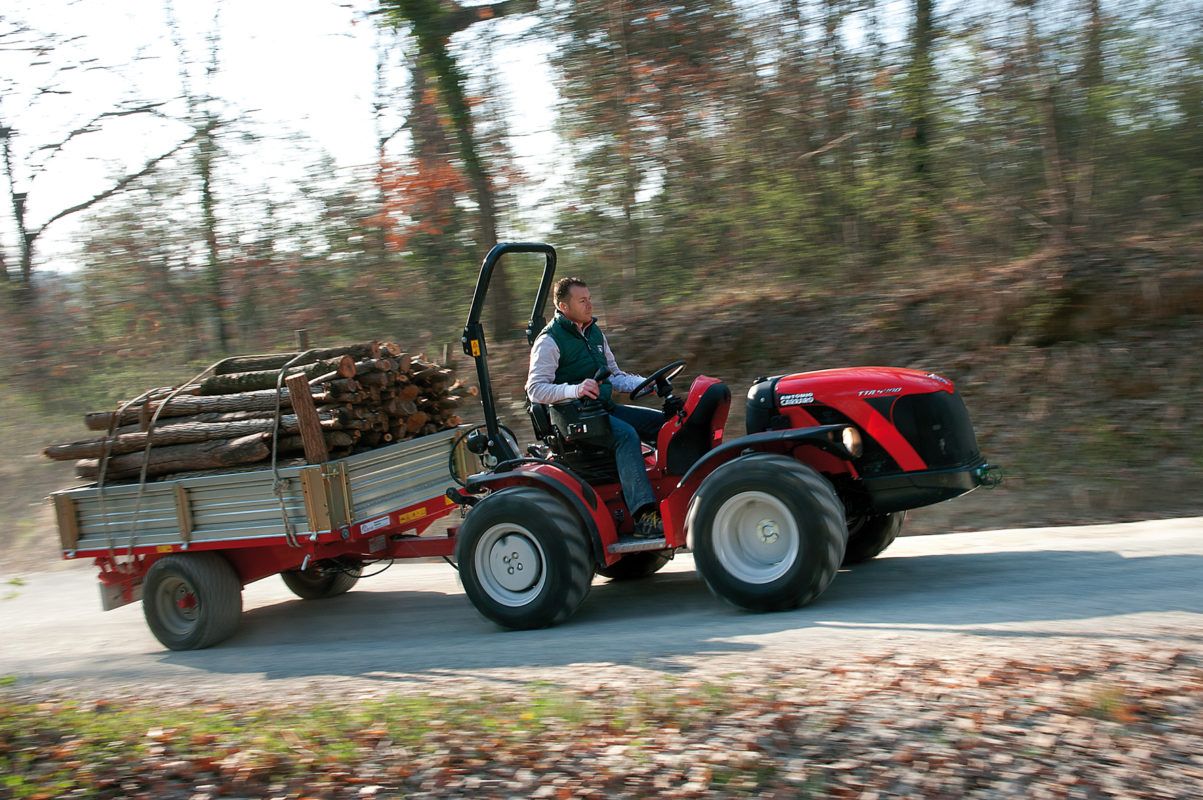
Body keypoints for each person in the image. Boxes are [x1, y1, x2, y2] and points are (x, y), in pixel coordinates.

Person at [525, 277, 665, 538]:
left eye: (590, 299)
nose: (589, 305)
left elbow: (614, 375)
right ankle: (644, 516)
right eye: (582, 300)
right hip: (573, 417)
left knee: (662, 424)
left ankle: (669, 493)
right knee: (625, 436)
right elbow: (535, 389)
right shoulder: (548, 341)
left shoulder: (594, 332)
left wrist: (647, 383)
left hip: (601, 409)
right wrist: (574, 390)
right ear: (563, 306)